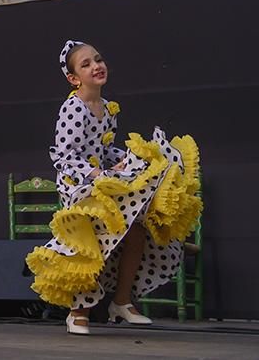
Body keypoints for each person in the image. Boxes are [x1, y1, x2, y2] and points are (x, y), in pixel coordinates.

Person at [27, 40, 203, 335]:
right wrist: (97, 173)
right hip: (78, 186)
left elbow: (105, 149)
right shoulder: (74, 108)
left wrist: (128, 160)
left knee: (136, 230)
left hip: (103, 181)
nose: (96, 66)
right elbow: (64, 157)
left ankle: (121, 301)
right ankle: (77, 312)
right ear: (73, 78)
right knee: (92, 244)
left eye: (98, 59)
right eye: (86, 64)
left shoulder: (107, 109)